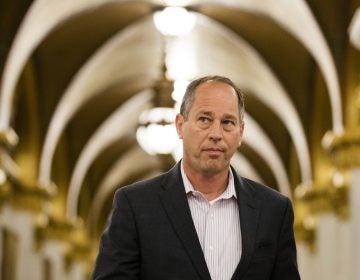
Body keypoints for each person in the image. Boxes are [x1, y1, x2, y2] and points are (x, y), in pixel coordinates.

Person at [92, 75, 301, 280]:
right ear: (180, 125)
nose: (216, 133)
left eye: (227, 122)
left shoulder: (273, 210)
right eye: (204, 119)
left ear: (240, 133)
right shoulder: (135, 205)